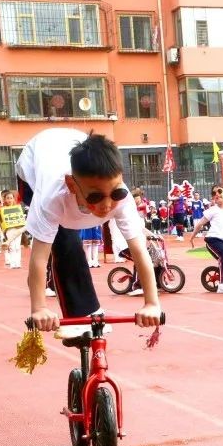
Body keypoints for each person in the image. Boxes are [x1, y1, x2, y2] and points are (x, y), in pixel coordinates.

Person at [17, 129, 161, 335]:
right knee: (64, 239)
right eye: (96, 197)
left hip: (71, 147)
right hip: (32, 166)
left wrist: (152, 304)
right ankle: (82, 313)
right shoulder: (51, 198)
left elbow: (139, 252)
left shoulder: (123, 199)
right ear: (72, 185)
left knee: (70, 236)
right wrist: (39, 308)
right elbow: (39, 258)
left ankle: (82, 309)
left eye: (116, 193)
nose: (107, 205)